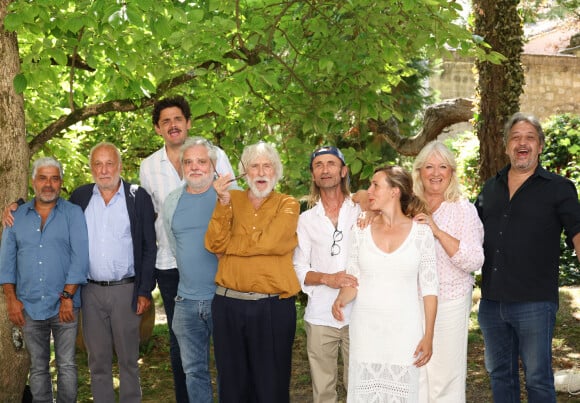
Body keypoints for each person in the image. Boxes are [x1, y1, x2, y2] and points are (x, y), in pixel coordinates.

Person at [475, 112, 580, 403]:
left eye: (530, 137)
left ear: (540, 146)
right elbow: (469, 234)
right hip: (492, 303)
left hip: (535, 303)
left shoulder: (559, 188)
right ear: (507, 146)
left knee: (538, 379)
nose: (522, 143)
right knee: (499, 375)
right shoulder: (490, 188)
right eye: (516, 137)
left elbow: (577, 232)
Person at [139, 95, 236, 403]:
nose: (172, 125)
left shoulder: (215, 154)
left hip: (218, 264)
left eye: (177, 119)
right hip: (171, 265)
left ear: (188, 122)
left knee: (226, 348)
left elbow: (234, 201)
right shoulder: (148, 166)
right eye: (165, 121)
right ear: (158, 128)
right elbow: (154, 217)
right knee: (181, 345)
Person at [332, 165, 438, 403]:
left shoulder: (421, 233)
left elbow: (430, 289)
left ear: (395, 191)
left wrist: (428, 334)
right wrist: (341, 299)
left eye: (375, 185)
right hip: (367, 333)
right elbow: (353, 280)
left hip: (405, 334)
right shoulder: (360, 230)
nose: (369, 190)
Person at [205, 142, 300, 403]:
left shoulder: (288, 204)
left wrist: (232, 248)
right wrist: (223, 204)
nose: (261, 172)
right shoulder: (230, 200)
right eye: (254, 166)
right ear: (244, 172)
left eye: (267, 166)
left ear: (276, 171)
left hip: (272, 308)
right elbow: (213, 244)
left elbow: (271, 242)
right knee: (233, 385)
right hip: (227, 306)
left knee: (272, 385)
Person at [69, 142, 157, 403]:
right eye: (98, 164)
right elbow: (52, 212)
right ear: (91, 168)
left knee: (129, 360)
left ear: (120, 166)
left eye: (109, 163)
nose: (104, 170)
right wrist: (17, 206)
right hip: (91, 291)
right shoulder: (80, 197)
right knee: (97, 361)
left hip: (126, 290)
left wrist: (144, 290)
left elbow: (149, 247)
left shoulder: (137, 197)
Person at [0, 157, 89, 403]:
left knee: (67, 365)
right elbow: (6, 263)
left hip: (65, 306)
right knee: (38, 368)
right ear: (33, 182)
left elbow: (79, 258)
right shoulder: (15, 218)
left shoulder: (73, 213)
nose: (48, 184)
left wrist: (68, 297)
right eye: (42, 177)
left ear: (60, 183)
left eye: (54, 178)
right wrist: (11, 300)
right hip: (28, 306)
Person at [411, 141, 484, 403]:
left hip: (449, 301)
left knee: (444, 378)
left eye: (442, 166)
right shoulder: (408, 207)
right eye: (429, 166)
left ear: (451, 172)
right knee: (414, 375)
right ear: (419, 171)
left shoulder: (463, 209)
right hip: (410, 301)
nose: (435, 173)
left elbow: (475, 260)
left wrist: (437, 231)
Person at [293, 146, 360, 403]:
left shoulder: (362, 211)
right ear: (313, 175)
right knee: (323, 390)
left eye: (331, 163)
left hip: (360, 312)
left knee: (358, 386)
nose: (325, 169)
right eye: (318, 165)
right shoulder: (306, 219)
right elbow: (299, 267)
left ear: (343, 171)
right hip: (320, 314)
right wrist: (327, 279)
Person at [162, 137, 220, 403]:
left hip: (224, 298)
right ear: (181, 166)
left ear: (212, 165)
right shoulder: (172, 201)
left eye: (201, 161)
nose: (195, 167)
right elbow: (176, 246)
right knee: (193, 372)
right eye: (188, 162)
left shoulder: (228, 197)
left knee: (230, 369)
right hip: (185, 303)